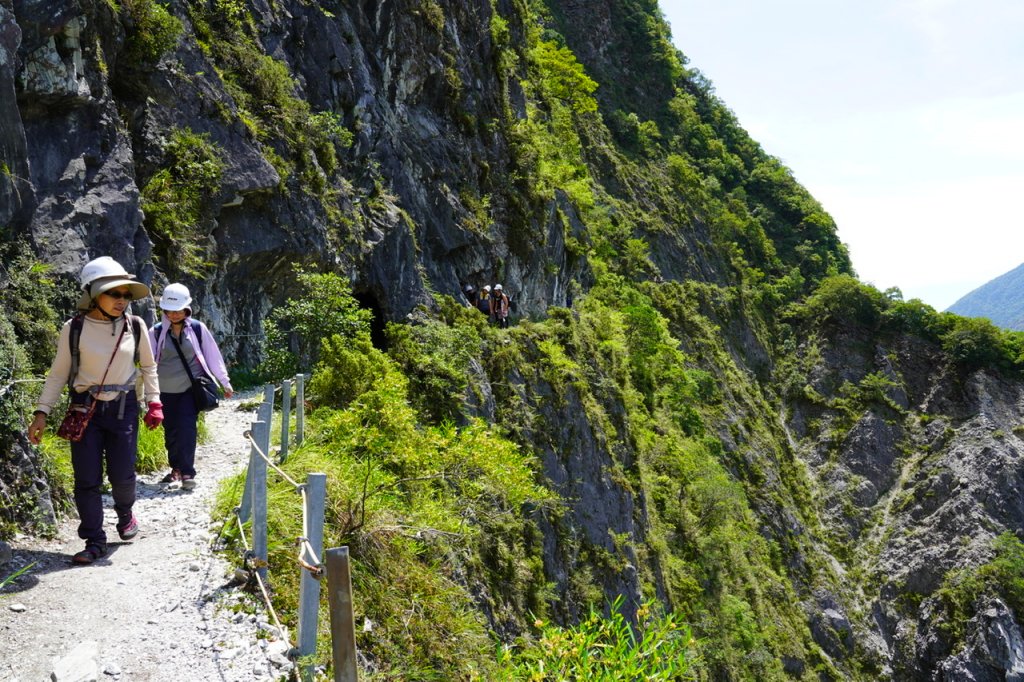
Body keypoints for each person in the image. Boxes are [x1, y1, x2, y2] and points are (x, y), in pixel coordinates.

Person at [27, 257, 163, 565]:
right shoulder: (73, 329)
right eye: (114, 293)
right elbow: (58, 373)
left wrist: (154, 403)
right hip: (83, 408)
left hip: (124, 408)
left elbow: (148, 366)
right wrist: (41, 412)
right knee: (86, 479)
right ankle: (94, 540)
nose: (122, 300)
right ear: (93, 294)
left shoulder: (136, 326)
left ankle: (126, 514)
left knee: (123, 475)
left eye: (126, 294)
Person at [149, 283, 233, 490]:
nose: (174, 314)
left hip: (189, 389)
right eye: (169, 310)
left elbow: (213, 355)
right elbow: (148, 362)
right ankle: (175, 468)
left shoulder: (196, 329)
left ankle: (187, 472)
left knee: (187, 428)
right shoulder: (156, 332)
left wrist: (225, 382)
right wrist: (145, 392)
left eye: (178, 310)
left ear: (187, 309)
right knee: (171, 431)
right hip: (164, 390)